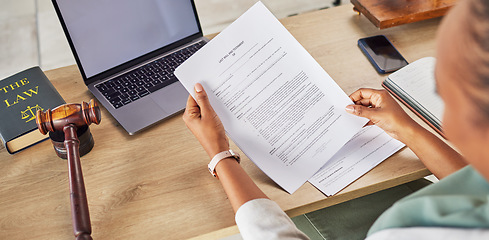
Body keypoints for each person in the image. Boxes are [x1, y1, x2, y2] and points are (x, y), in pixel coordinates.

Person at [182, 0, 489, 239]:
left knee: (304, 210)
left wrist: (220, 153)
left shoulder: (404, 228)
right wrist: (405, 127)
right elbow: (479, 189)